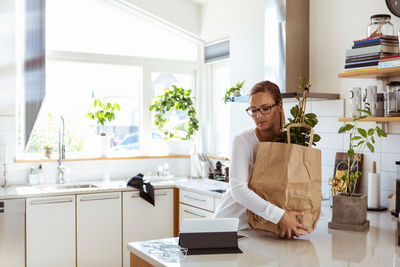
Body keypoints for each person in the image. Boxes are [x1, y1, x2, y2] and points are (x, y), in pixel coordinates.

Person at [213, 80, 309, 239]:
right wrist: (281, 216)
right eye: (253, 110)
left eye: (265, 109)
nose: (258, 116)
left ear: (279, 106)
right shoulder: (242, 141)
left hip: (264, 230)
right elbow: (238, 190)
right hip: (232, 227)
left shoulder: (291, 142)